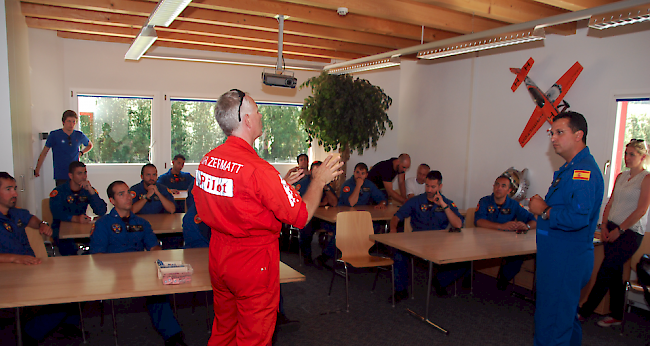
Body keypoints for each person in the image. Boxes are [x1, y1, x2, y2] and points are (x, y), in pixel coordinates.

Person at [192, 89, 343, 346]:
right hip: (252, 262)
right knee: (254, 336)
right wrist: (318, 181)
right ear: (247, 120)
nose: (261, 116)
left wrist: (279, 187)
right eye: (258, 110)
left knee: (225, 328)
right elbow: (302, 216)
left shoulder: (209, 160)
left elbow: (235, 197)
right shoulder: (259, 169)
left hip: (219, 256)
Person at [528, 111, 604, 346]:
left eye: (560, 132)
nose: (553, 138)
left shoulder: (583, 171)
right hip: (559, 257)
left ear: (579, 135)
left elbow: (577, 217)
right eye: (551, 132)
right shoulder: (569, 168)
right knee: (565, 320)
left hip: (565, 259)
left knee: (551, 324)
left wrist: (544, 210)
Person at [90, 181, 187, 346]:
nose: (128, 196)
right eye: (121, 194)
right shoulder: (103, 224)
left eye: (128, 192)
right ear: (112, 200)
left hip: (140, 272)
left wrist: (157, 256)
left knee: (158, 292)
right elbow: (96, 256)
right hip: (113, 275)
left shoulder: (141, 223)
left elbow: (153, 246)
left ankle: (173, 335)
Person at [0, 172, 82, 344]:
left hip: (30, 268)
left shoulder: (17, 213)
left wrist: (42, 225)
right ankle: (27, 335)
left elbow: (32, 220)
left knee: (73, 286)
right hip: (9, 274)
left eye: (14, 188)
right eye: (8, 189)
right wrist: (13, 258)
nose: (15, 193)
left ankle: (62, 327)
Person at [578, 139, 650, 327]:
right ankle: (617, 315)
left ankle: (584, 311)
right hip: (611, 228)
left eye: (632, 154)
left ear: (643, 157)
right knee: (614, 273)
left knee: (606, 270)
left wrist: (621, 229)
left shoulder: (646, 178)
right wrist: (604, 226)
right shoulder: (620, 176)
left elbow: (641, 209)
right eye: (626, 153)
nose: (627, 157)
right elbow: (610, 203)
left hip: (630, 233)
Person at [389, 170, 465, 301]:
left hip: (440, 243)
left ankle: (440, 281)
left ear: (440, 186)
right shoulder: (416, 201)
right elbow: (397, 216)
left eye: (433, 186)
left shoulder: (447, 203)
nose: (429, 189)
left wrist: (444, 206)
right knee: (399, 255)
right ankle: (401, 290)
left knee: (465, 260)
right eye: (427, 186)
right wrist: (393, 230)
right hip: (417, 241)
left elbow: (458, 224)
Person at [474, 174, 536, 290]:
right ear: (493, 186)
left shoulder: (514, 204)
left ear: (509, 190)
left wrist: (526, 226)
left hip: (505, 243)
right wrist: (501, 226)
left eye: (503, 186)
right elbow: (479, 221)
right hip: (483, 241)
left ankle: (503, 278)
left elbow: (533, 221)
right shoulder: (485, 201)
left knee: (518, 256)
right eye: (497, 185)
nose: (499, 188)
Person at [49, 161, 107, 256]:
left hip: (82, 228)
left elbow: (101, 211)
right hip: (62, 229)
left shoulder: (86, 190)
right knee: (69, 250)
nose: (84, 177)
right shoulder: (59, 191)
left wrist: (91, 191)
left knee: (99, 243)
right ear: (71, 176)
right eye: (79, 173)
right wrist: (75, 218)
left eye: (85, 173)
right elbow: (57, 213)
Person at [35, 110, 93, 186]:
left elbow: (89, 145)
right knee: (62, 196)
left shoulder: (79, 135)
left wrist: (81, 153)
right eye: (69, 121)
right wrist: (37, 169)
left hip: (76, 175)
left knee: (77, 197)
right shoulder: (54, 135)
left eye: (73, 122)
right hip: (61, 175)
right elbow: (44, 152)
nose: (71, 124)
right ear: (63, 122)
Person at [297, 161, 338, 265]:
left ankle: (325, 256)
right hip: (308, 217)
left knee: (340, 230)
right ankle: (306, 256)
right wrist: (321, 203)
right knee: (305, 228)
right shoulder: (303, 184)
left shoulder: (326, 184)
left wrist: (326, 188)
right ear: (310, 171)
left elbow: (334, 203)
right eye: (316, 171)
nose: (318, 173)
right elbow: (301, 203)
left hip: (323, 218)